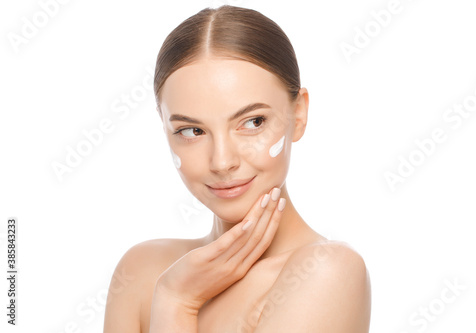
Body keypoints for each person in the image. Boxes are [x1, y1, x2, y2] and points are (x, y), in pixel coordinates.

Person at [103, 5, 371, 332]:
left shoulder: (326, 271)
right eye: (192, 131)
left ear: (298, 114)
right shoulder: (141, 270)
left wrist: (177, 302)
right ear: (165, 128)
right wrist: (172, 291)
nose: (222, 162)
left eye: (252, 122)